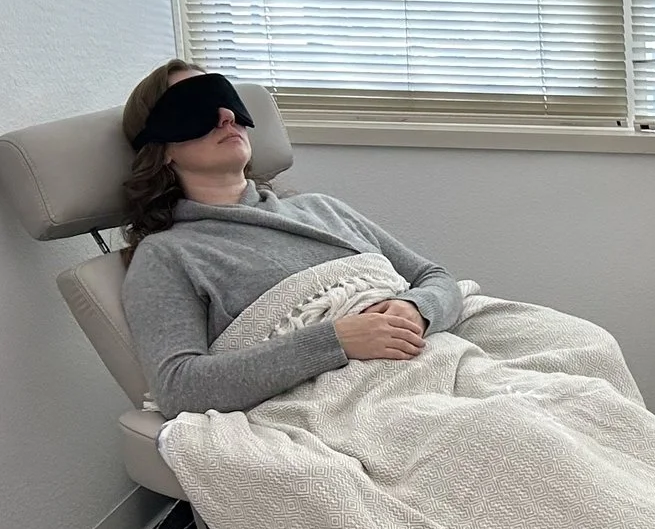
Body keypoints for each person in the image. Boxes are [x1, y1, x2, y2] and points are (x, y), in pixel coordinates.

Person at [116, 60, 464, 415]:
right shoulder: (166, 255)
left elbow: (436, 279)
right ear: (162, 149)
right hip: (359, 404)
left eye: (228, 100)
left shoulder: (322, 209)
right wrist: (337, 340)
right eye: (196, 107)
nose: (226, 116)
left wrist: (416, 309)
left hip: (439, 360)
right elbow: (180, 387)